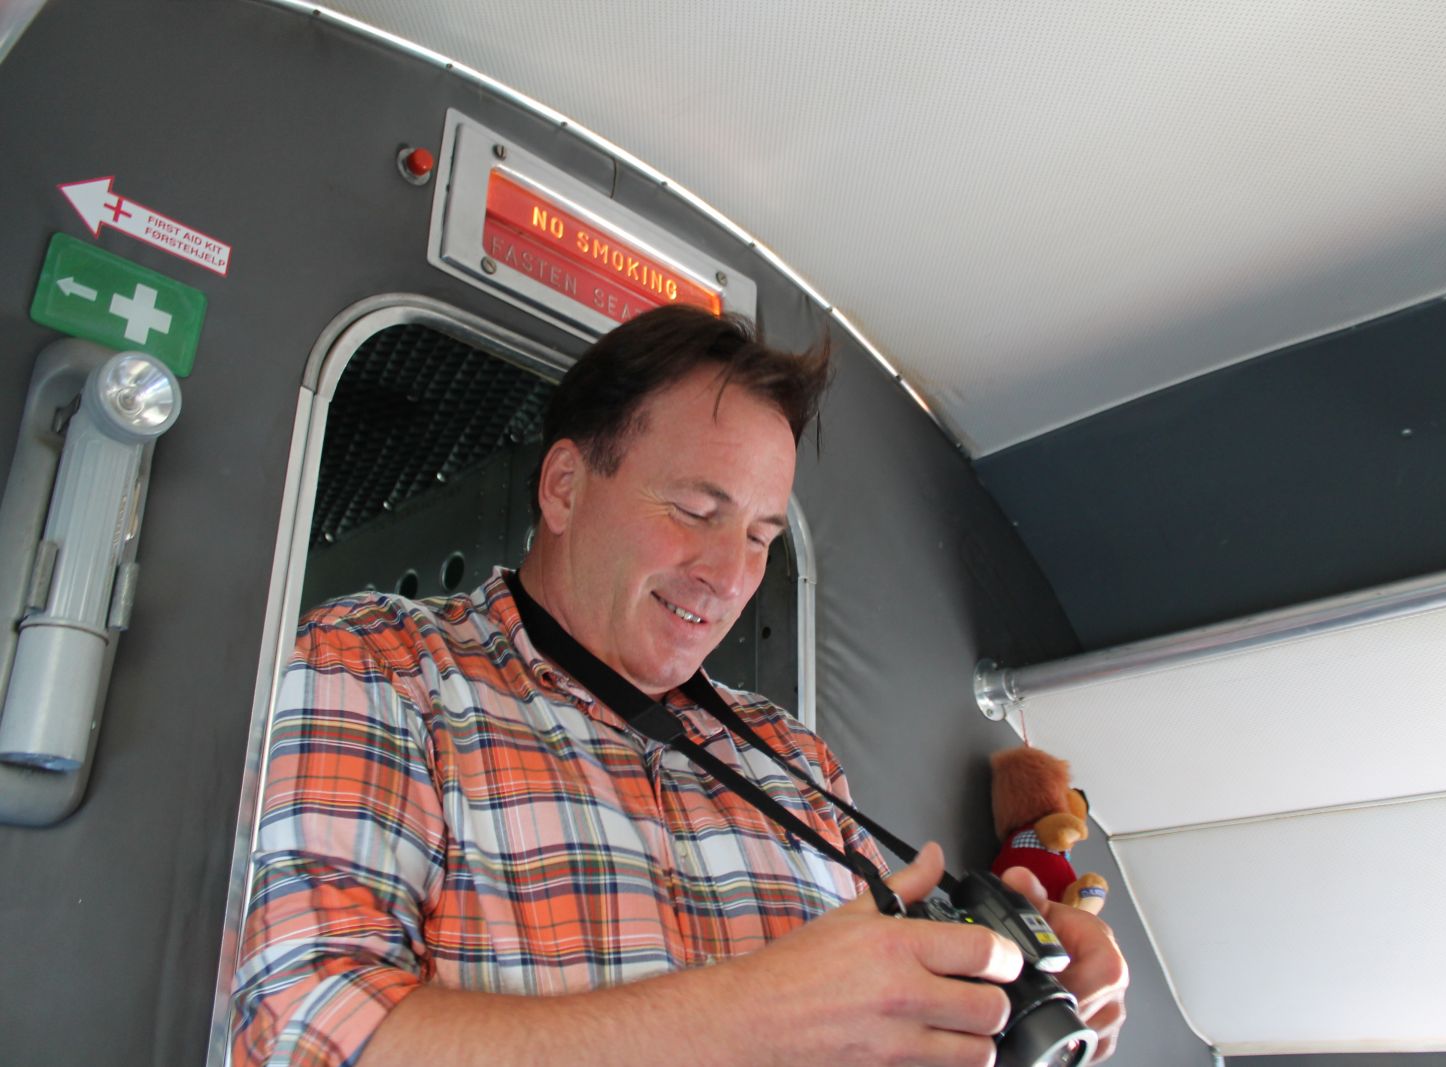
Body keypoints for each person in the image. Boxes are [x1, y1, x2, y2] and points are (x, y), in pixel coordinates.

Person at [230, 306, 1127, 1067]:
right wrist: (752, 1013)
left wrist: (1003, 997)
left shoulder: (793, 758)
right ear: (564, 486)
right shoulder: (385, 663)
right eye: (696, 511)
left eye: (760, 536)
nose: (728, 575)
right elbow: (302, 1032)